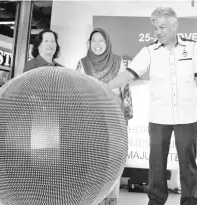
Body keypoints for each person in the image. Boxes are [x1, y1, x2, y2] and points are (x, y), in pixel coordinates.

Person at [105, 7, 197, 205]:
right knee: (156, 164)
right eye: (155, 28)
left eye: (162, 27)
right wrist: (106, 86)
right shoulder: (149, 51)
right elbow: (129, 74)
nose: (158, 32)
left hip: (186, 117)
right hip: (158, 118)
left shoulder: (193, 47)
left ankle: (190, 201)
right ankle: (156, 201)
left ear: (174, 25)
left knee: (188, 163)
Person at [76, 27, 133, 205]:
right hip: (89, 125)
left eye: (101, 41)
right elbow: (75, 92)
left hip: (113, 125)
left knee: (111, 163)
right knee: (91, 163)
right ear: (89, 44)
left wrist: (125, 121)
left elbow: (126, 93)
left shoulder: (119, 62)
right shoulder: (82, 64)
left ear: (107, 43)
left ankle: (110, 201)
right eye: (94, 41)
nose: (98, 44)